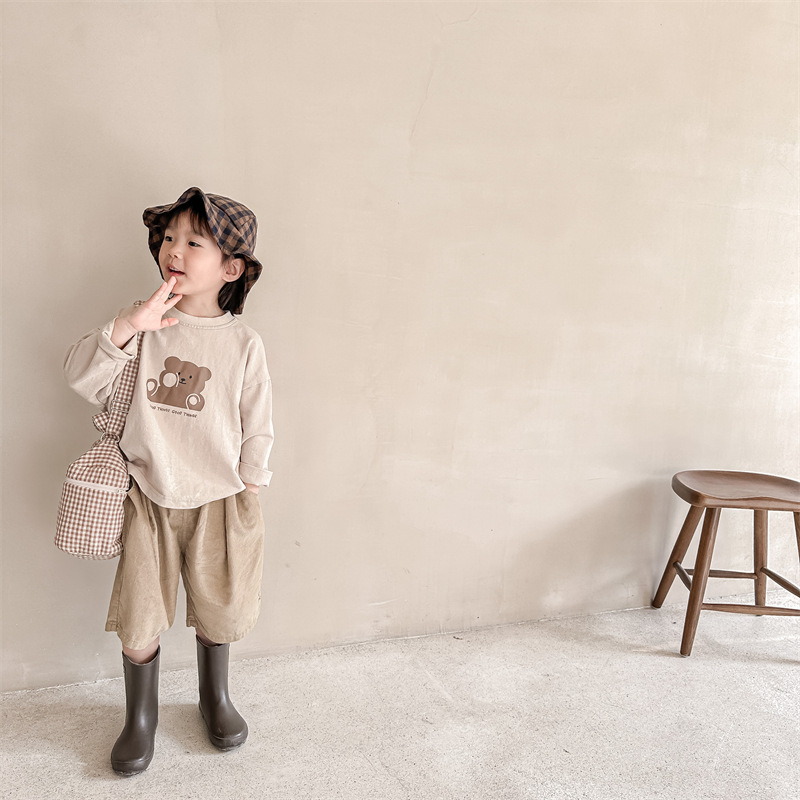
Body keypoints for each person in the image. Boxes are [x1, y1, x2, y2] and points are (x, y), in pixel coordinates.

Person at [63, 187, 274, 776]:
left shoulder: (243, 342)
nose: (173, 250)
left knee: (219, 608)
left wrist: (252, 483)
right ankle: (141, 717)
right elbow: (80, 377)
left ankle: (215, 698)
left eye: (193, 242)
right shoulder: (145, 324)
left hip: (221, 498)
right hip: (147, 495)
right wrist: (131, 323)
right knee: (139, 614)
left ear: (231, 268)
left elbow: (258, 419)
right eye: (168, 238)